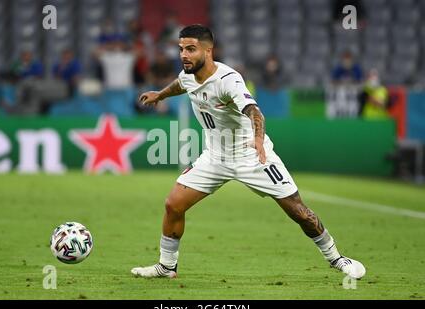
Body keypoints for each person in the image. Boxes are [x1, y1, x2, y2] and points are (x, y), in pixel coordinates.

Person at [131, 25, 365, 280]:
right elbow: (180, 84)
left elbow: (254, 111)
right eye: (181, 49)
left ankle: (336, 258)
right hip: (215, 157)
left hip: (252, 155)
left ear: (208, 51)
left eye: (190, 49)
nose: (184, 55)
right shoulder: (188, 74)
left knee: (299, 212)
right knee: (173, 204)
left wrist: (258, 139)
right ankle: (167, 267)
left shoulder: (228, 80)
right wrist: (160, 95)